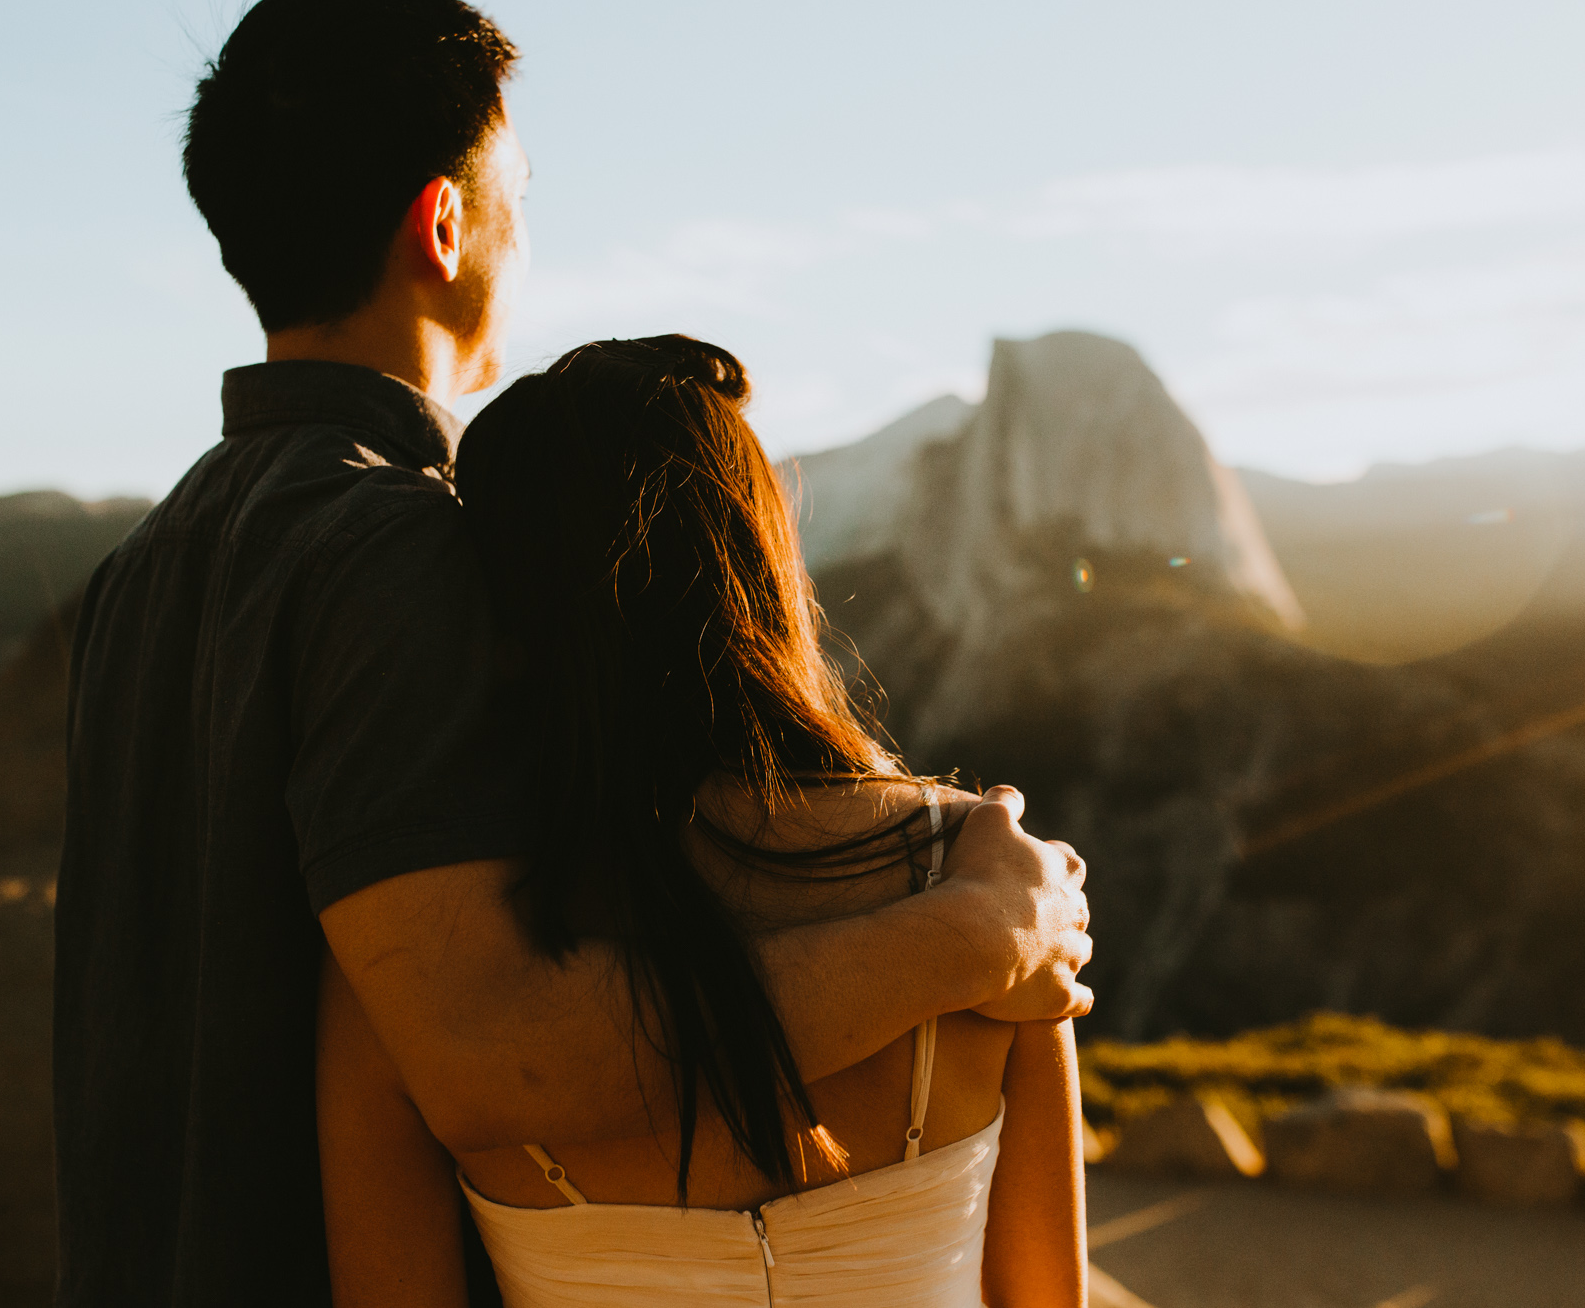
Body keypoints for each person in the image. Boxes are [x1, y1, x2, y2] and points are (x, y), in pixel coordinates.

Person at [54, 0, 1093, 1308]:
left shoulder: (141, 572)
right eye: (519, 194)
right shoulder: (407, 546)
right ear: (444, 222)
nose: (524, 231)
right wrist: (970, 935)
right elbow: (498, 1061)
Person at [317, 336, 1087, 1307]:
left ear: (492, 600)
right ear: (760, 562)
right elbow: (1048, 1294)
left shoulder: (422, 968)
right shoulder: (984, 875)